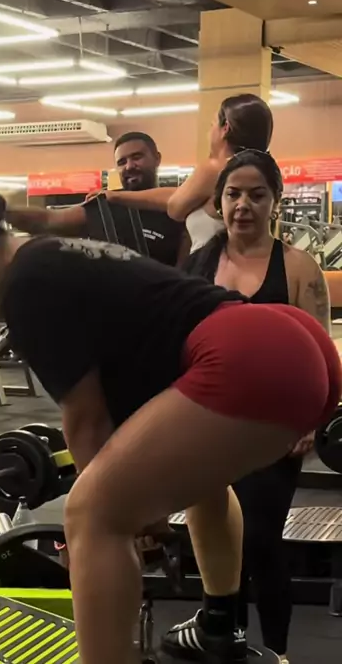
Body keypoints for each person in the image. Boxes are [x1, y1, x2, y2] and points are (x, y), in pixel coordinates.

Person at [0, 190, 341, 664]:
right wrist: (139, 505)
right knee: (204, 485)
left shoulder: (24, 284)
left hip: (248, 353)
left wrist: (104, 525)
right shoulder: (53, 255)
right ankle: (219, 628)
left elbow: (86, 420)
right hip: (290, 344)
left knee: (90, 514)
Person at [162, 150, 331, 664]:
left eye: (257, 195)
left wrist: (312, 418)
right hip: (209, 423)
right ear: (218, 202)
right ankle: (225, 638)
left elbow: (319, 351)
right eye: (233, 194)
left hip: (274, 428)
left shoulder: (297, 267)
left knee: (260, 540)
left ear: (274, 201)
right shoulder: (198, 264)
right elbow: (178, 342)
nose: (243, 205)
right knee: (217, 540)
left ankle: (276, 651)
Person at [90, 94, 274, 253]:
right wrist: (116, 196)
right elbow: (181, 194)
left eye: (212, 125)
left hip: (215, 271)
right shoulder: (259, 169)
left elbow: (175, 208)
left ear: (225, 128)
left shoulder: (214, 169)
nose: (209, 133)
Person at [5, 131, 188, 267]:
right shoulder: (106, 206)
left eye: (137, 157)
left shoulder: (179, 205)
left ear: (157, 158)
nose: (129, 166)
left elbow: (185, 270)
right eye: (122, 162)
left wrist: (116, 196)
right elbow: (48, 220)